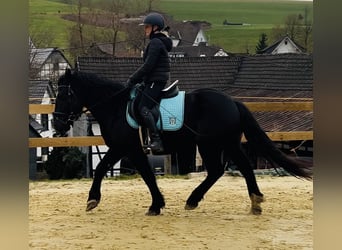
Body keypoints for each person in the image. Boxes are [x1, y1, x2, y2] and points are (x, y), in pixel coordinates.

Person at [126, 13, 172, 153]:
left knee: (144, 108)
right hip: (151, 80)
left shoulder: (155, 43)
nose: (145, 29)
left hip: (156, 81)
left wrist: (133, 79)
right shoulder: (157, 42)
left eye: (147, 27)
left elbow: (148, 66)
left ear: (155, 28)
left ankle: (156, 140)